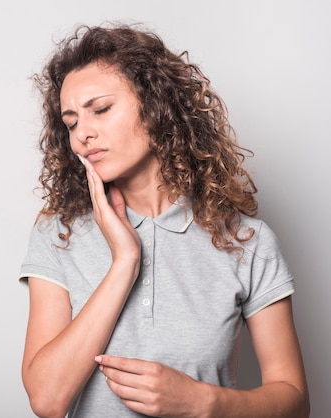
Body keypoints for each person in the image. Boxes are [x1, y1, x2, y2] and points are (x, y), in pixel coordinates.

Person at [18, 22, 310, 418]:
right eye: (71, 122)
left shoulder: (247, 241)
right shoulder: (60, 233)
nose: (82, 133)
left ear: (157, 107)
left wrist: (205, 403)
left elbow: (294, 399)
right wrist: (124, 261)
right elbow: (47, 400)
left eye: (100, 109)